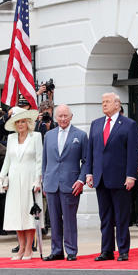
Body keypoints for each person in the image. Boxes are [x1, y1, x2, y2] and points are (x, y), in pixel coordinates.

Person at [85, 92, 138, 262]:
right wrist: (89, 173)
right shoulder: (96, 124)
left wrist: (131, 175)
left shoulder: (129, 125)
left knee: (121, 217)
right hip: (100, 178)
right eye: (102, 102)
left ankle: (123, 250)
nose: (104, 104)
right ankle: (106, 250)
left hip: (120, 178)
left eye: (107, 101)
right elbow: (90, 151)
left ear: (117, 104)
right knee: (105, 217)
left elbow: (132, 153)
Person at [41, 104, 89, 261]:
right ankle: (56, 251)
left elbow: (87, 161)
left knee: (69, 220)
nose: (63, 119)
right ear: (55, 117)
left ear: (71, 117)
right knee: (54, 220)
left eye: (65, 116)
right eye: (60, 116)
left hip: (71, 184)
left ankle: (71, 251)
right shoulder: (49, 136)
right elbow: (45, 161)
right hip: (51, 183)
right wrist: (44, 181)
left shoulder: (81, 135)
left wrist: (81, 180)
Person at [0, 106, 43, 260]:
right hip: (14, 180)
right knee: (17, 213)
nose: (20, 124)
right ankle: (21, 247)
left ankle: (29, 248)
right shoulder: (11, 138)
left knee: (29, 214)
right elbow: (7, 160)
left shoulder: (36, 136)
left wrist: (38, 180)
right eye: (17, 122)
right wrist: (1, 177)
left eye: (23, 121)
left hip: (30, 179)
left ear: (28, 122)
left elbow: (39, 160)